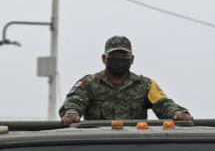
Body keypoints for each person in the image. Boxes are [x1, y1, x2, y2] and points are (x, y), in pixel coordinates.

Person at [60, 36, 192, 125]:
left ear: (132, 59)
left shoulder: (145, 85)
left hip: (134, 150)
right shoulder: (89, 83)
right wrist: (71, 113)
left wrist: (178, 113)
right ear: (104, 59)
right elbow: (74, 101)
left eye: (123, 56)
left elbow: (163, 105)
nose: (119, 60)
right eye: (114, 56)